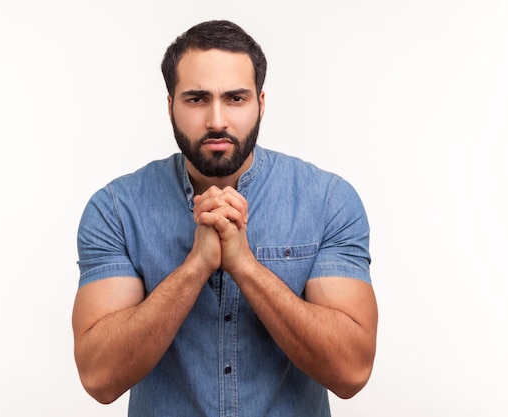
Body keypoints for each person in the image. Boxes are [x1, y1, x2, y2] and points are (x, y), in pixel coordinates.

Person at [72, 19, 378, 417]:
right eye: (197, 99)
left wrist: (244, 266)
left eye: (235, 98)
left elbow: (351, 371)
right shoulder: (116, 209)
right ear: (170, 106)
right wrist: (196, 266)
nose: (217, 120)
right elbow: (99, 378)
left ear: (261, 104)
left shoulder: (328, 201)